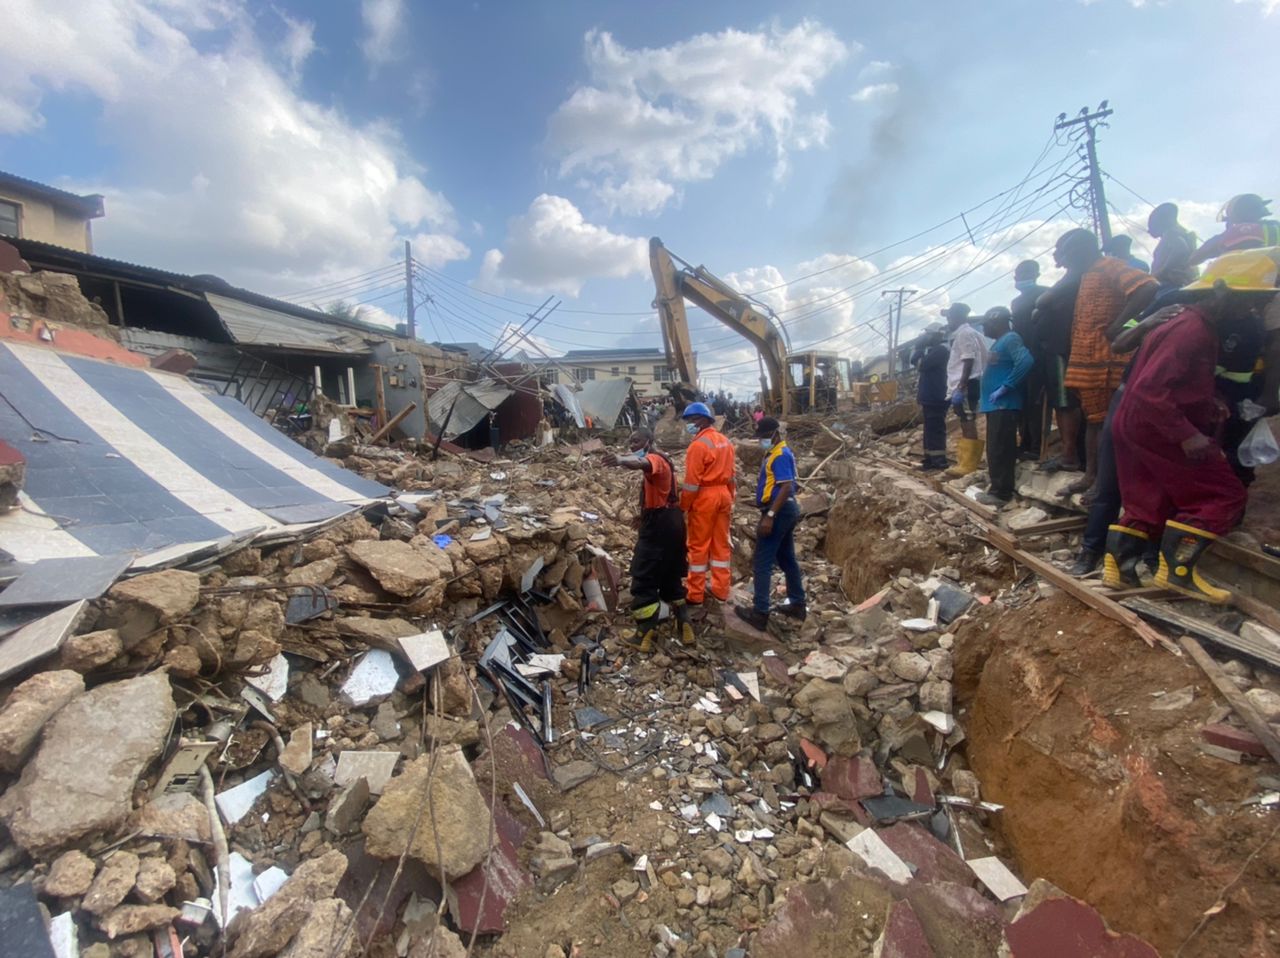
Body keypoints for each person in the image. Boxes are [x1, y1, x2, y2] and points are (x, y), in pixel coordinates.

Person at [1105, 249, 1278, 603]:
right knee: (1223, 494)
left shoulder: (1184, 322)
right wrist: (1187, 435)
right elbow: (1152, 388)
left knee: (1146, 496)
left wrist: (1206, 400)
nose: (1251, 311)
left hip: (1138, 420)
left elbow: (1165, 380)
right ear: (1221, 291)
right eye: (1248, 302)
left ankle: (1119, 568)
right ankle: (1178, 572)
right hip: (1160, 423)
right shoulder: (1193, 329)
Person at [1057, 229, 1159, 495]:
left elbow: (1148, 286)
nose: (1065, 261)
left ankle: (1105, 483)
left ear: (1083, 249)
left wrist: (1119, 324)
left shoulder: (1110, 266)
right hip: (1087, 361)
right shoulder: (1089, 274)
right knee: (1094, 421)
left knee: (1105, 423)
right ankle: (1091, 477)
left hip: (1106, 360)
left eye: (1068, 254)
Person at [604, 428, 694, 651]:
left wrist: (620, 459)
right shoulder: (664, 460)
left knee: (643, 575)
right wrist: (643, 515)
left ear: (649, 441)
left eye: (637, 441)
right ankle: (685, 624)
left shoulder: (654, 459)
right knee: (670, 574)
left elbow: (641, 463)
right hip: (672, 521)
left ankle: (643, 634)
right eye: (630, 441)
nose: (632, 444)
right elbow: (658, 492)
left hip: (660, 526)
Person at [734, 417, 806, 630]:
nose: (761, 441)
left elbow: (786, 487)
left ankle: (760, 612)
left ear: (775, 434)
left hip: (779, 511)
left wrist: (770, 515)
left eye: (764, 437)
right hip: (783, 510)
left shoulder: (781, 455)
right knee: (786, 559)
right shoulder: (775, 453)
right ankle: (797, 604)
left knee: (762, 562)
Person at [974, 308, 1034, 507]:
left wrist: (1006, 386)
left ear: (997, 322)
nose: (984, 328)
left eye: (986, 325)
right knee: (995, 448)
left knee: (1000, 448)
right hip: (995, 405)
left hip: (1003, 404)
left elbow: (1025, 361)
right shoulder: (1000, 342)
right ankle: (998, 488)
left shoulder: (1010, 338)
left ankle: (1001, 493)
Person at [678, 401, 735, 606]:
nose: (689, 424)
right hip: (723, 495)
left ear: (701, 420)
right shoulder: (725, 441)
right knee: (721, 544)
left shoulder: (698, 445)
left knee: (698, 545)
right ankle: (721, 589)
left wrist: (683, 506)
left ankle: (695, 593)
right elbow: (731, 475)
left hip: (705, 497)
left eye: (691, 420)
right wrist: (730, 496)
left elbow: (692, 483)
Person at [942, 303, 988, 476]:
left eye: (949, 317)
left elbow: (968, 360)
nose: (948, 321)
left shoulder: (964, 334)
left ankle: (968, 465)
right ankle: (966, 462)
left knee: (967, 420)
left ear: (958, 317)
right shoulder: (973, 333)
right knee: (965, 418)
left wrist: (961, 386)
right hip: (969, 382)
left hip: (966, 383)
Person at [1010, 260, 1049, 460]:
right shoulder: (1016, 303)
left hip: (1039, 357)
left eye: (1025, 273)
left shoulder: (1046, 293)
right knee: (1022, 401)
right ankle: (1024, 442)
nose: (1019, 277)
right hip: (1020, 357)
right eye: (1018, 273)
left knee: (1036, 402)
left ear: (1036, 273)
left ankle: (1036, 446)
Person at [1189, 194, 1280, 266]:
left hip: (1239, 286)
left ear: (1237, 213)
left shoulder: (1233, 233)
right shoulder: (1276, 227)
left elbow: (1194, 259)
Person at [911, 324, 950, 471]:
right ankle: (930, 460)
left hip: (936, 396)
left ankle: (939, 462)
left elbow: (920, 364)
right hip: (931, 396)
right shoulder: (935, 350)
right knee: (929, 429)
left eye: (927, 335)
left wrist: (918, 348)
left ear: (936, 335)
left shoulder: (941, 350)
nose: (924, 338)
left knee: (935, 429)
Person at [1147, 203, 1198, 289]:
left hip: (1169, 284)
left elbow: (1181, 249)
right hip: (1185, 282)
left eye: (1152, 223)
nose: (1149, 229)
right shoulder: (1185, 234)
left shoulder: (1170, 233)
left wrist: (1161, 272)